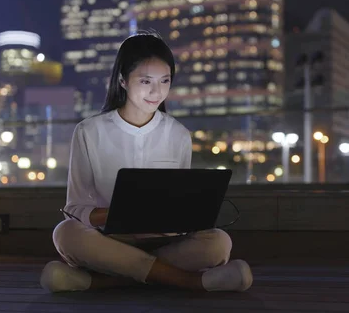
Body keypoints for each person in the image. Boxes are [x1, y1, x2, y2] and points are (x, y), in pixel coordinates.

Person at [39, 31, 253, 293]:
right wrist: (118, 213)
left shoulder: (178, 134)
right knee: (66, 233)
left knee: (219, 242)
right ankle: (191, 281)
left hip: (164, 242)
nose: (157, 91)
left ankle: (103, 281)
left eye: (165, 81)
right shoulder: (89, 132)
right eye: (145, 81)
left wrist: (187, 214)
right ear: (123, 80)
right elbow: (75, 207)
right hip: (108, 239)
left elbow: (181, 202)